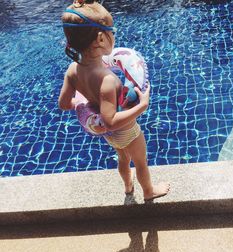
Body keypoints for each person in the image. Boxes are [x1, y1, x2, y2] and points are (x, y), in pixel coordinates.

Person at [58, 0, 170, 202]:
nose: (114, 35)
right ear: (101, 38)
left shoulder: (72, 70)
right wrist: (142, 106)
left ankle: (128, 187)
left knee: (122, 158)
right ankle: (149, 192)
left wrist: (82, 103)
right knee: (141, 162)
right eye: (113, 31)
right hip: (126, 130)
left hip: (110, 136)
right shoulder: (107, 80)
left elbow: (65, 104)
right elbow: (110, 120)